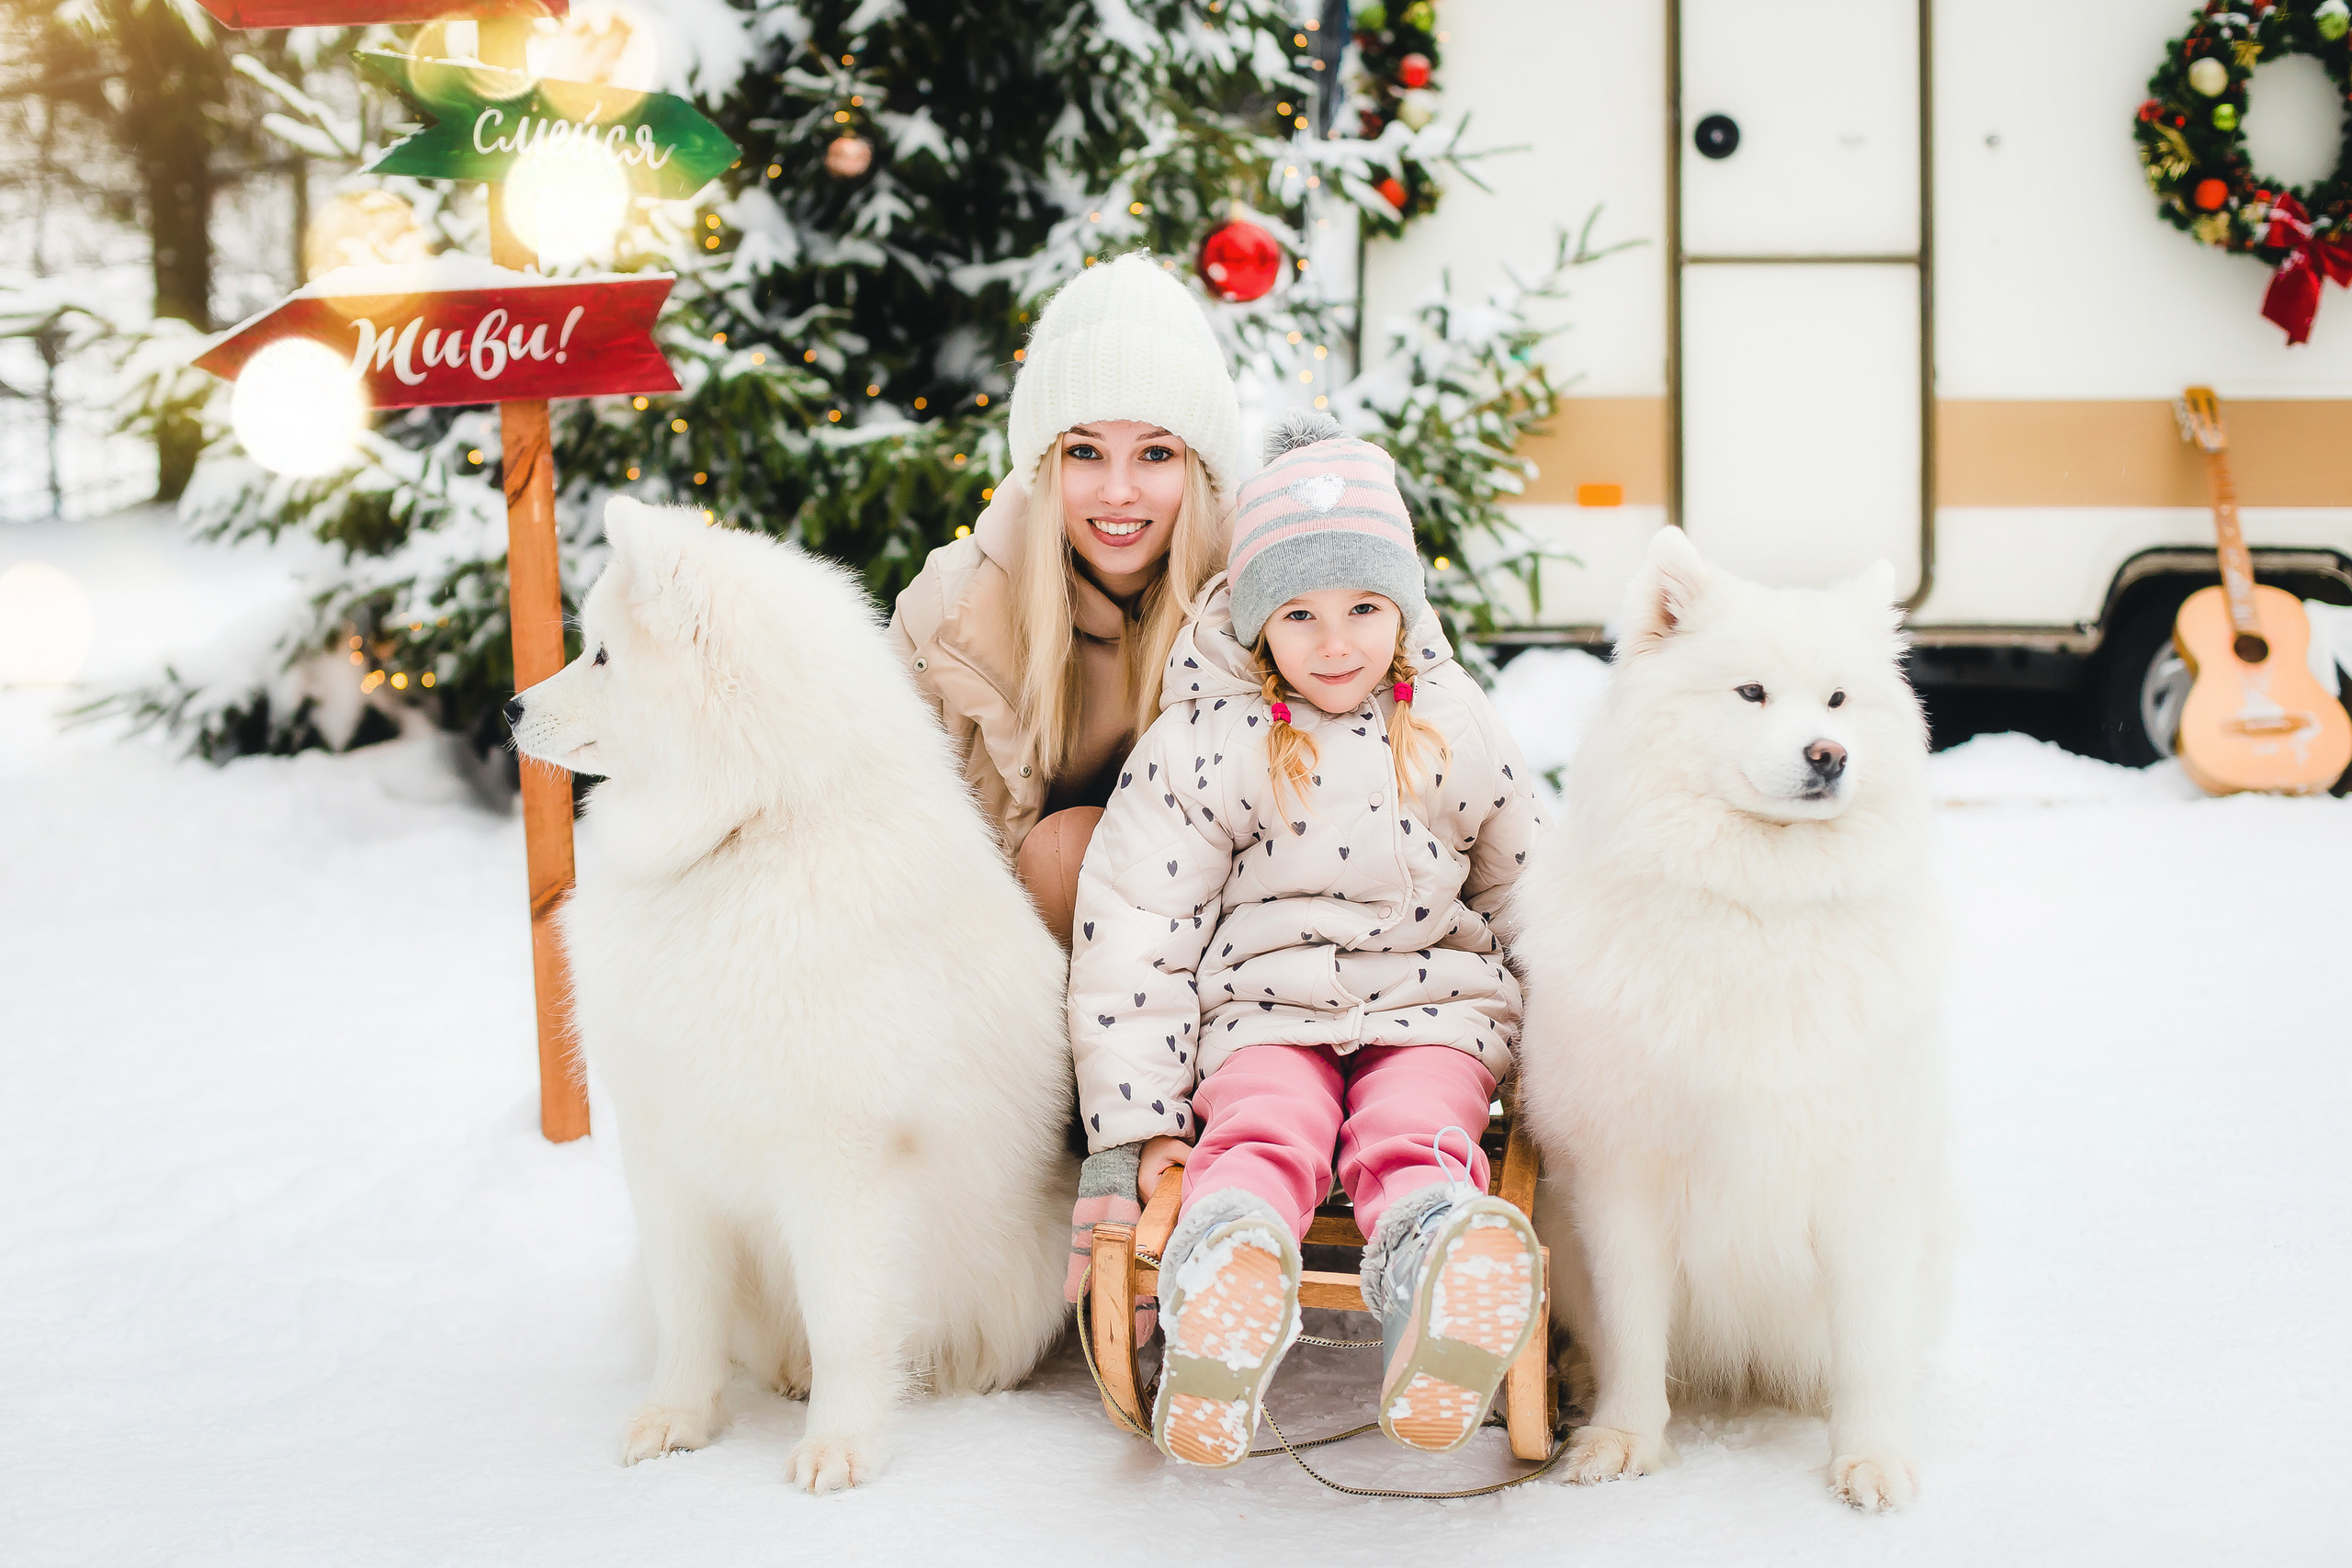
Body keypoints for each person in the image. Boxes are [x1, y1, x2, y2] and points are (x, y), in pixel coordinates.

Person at [1064, 412, 1548, 1468]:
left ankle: (1439, 1276)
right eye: (1301, 614)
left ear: (1403, 608)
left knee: (1419, 1130)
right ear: (1255, 623)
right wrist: (1138, 1120)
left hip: (1434, 1014)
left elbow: (1533, 888)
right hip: (1263, 1018)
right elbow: (1137, 929)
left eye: (1365, 607)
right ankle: (1224, 1280)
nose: (1337, 643)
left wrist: (1576, 1057)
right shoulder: (1207, 737)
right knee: (1261, 1130)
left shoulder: (1453, 721)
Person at [888, 254, 1243, 945]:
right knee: (1064, 848)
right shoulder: (952, 613)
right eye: (1085, 453)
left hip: (1232, 970)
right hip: (1008, 975)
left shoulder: (1270, 593)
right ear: (1046, 465)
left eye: (1155, 454)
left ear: (1198, 467)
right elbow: (872, 830)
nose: (1117, 491)